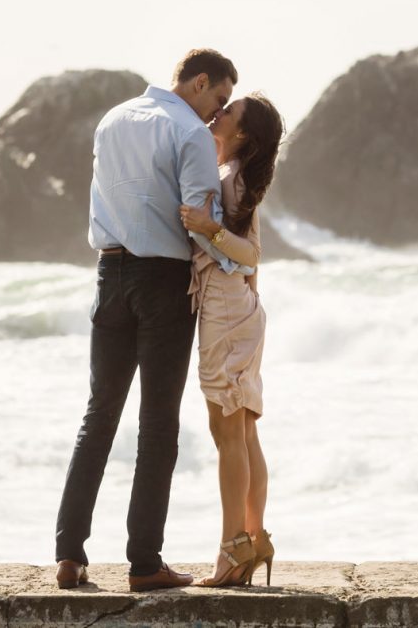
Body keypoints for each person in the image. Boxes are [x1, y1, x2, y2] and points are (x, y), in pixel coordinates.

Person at [54, 49, 238, 592]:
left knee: (99, 416)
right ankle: (144, 563)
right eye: (219, 99)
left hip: (108, 274)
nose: (217, 113)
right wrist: (237, 260)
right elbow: (200, 220)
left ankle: (69, 555)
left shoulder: (113, 119)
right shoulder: (191, 134)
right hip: (162, 282)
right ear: (200, 82)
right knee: (158, 424)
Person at [178, 92, 284, 587]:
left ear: (242, 134)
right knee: (242, 434)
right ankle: (252, 539)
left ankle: (232, 551)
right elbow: (249, 261)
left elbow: (251, 253)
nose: (218, 114)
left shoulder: (232, 179)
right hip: (237, 310)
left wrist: (206, 226)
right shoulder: (237, 173)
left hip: (225, 312)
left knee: (228, 437)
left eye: (229, 112)